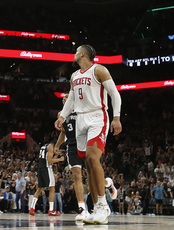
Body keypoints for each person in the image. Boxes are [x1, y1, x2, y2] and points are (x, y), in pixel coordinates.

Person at [55, 44, 122, 225]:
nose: (74, 54)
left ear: (83, 54)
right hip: (80, 119)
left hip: (97, 116)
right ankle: (96, 208)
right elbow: (71, 99)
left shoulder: (99, 70)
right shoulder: (74, 76)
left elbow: (114, 94)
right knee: (89, 166)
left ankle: (103, 205)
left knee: (93, 158)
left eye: (76, 51)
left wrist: (116, 117)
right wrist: (62, 116)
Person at [55, 94, 91, 222]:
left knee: (92, 175)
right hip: (71, 146)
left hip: (85, 144)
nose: (64, 100)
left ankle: (107, 185)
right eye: (63, 99)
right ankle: (82, 208)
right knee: (77, 176)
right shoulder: (61, 115)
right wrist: (57, 146)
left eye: (66, 98)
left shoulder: (81, 109)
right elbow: (63, 132)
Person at [28, 142, 63, 216]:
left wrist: (55, 156)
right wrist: (59, 159)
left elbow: (47, 159)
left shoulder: (43, 147)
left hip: (40, 168)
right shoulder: (50, 147)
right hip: (47, 168)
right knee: (52, 188)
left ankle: (32, 208)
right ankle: (51, 210)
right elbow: (49, 161)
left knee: (39, 189)